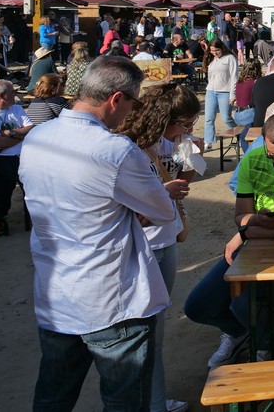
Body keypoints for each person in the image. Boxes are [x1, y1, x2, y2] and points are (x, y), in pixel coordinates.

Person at [20, 56, 182, 410]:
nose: (132, 112)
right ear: (116, 99)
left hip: (56, 295)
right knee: (124, 402)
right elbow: (162, 212)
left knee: (52, 396)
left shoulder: (37, 138)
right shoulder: (115, 150)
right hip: (112, 301)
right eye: (134, 102)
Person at [184, 113, 274, 367]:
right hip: (253, 246)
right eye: (273, 155)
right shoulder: (252, 159)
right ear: (262, 142)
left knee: (245, 301)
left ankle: (263, 349)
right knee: (197, 306)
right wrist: (247, 227)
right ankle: (240, 334)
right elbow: (241, 216)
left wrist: (247, 231)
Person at [116, 83, 201, 412]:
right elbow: (127, 207)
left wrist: (187, 162)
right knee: (141, 331)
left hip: (166, 239)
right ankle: (146, 403)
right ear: (164, 118)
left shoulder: (171, 141)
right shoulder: (127, 148)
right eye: (185, 124)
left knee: (156, 328)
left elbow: (183, 179)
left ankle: (154, 401)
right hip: (141, 246)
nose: (187, 130)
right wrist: (163, 192)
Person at [0, 79, 34, 236]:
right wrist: (21, 136)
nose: (16, 94)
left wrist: (10, 134)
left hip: (25, 156)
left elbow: (31, 128)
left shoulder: (17, 108)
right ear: (2, 95)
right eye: (13, 92)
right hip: (2, 159)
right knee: (3, 186)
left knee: (35, 185)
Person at [203, 39, 239, 151]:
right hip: (211, 91)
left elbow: (234, 77)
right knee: (208, 118)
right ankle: (208, 141)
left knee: (226, 117)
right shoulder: (212, 59)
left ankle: (239, 135)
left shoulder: (230, 58)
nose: (214, 53)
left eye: (216, 50)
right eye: (212, 50)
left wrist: (232, 95)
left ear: (222, 48)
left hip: (225, 91)